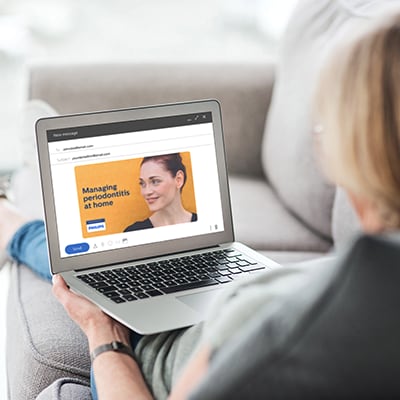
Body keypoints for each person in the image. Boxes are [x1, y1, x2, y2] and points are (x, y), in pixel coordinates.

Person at [2, 11, 400, 399]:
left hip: (148, 359)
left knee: (82, 265)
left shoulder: (273, 314)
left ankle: (18, 220)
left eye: (324, 127)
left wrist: (102, 332)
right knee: (94, 257)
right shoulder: (336, 290)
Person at [124, 153, 197, 232]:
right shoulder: (133, 232)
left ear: (178, 180)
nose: (146, 192)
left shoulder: (204, 221)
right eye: (142, 183)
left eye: (155, 181)